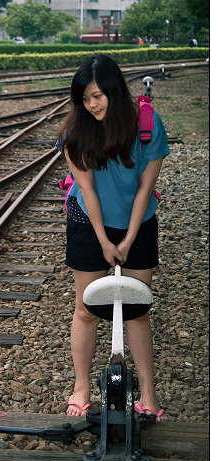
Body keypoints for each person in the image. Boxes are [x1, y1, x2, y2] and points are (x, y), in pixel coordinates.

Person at [56, 54, 169, 421]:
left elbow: (145, 189)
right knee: (86, 309)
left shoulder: (148, 124)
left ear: (115, 91)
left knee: (137, 310)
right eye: (85, 99)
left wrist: (129, 237)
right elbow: (87, 190)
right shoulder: (73, 132)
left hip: (138, 219)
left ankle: (148, 395)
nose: (92, 105)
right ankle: (81, 388)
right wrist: (105, 242)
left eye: (98, 96)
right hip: (88, 222)